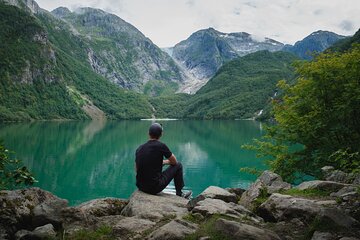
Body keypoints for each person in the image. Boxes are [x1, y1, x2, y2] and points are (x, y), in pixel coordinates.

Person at [135, 123, 191, 198]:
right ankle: (179, 194)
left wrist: (159, 163)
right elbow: (174, 162)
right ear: (161, 134)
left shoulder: (140, 148)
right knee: (178, 165)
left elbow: (136, 169)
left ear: (148, 133)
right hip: (154, 188)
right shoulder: (161, 146)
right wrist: (165, 162)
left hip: (141, 187)